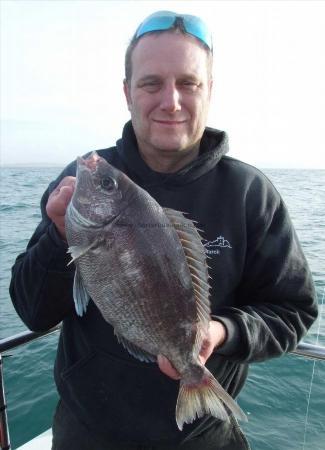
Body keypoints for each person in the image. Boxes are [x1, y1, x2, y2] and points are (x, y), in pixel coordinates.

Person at [10, 10, 317, 450]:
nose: (170, 101)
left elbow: (294, 312)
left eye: (188, 83)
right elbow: (32, 310)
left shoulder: (250, 193)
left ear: (209, 91)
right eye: (151, 83)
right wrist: (61, 235)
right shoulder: (80, 187)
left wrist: (220, 332)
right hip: (87, 434)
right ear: (127, 93)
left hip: (204, 437)